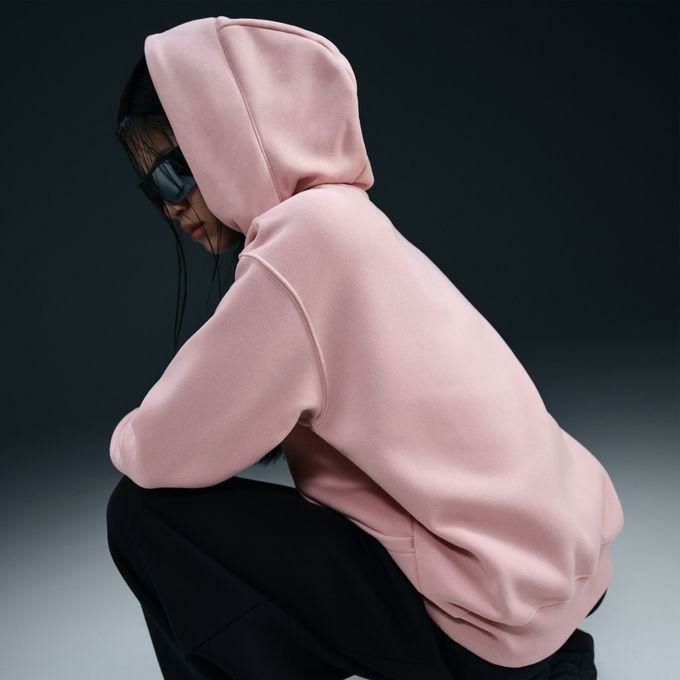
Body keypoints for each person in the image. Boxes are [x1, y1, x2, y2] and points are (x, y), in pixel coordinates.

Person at [106, 15, 623, 680]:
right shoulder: (346, 220)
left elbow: (157, 452)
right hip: (547, 582)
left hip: (482, 622)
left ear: (229, 131)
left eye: (176, 172)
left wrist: (133, 432)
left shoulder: (300, 252)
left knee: (142, 516)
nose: (171, 204)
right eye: (151, 188)